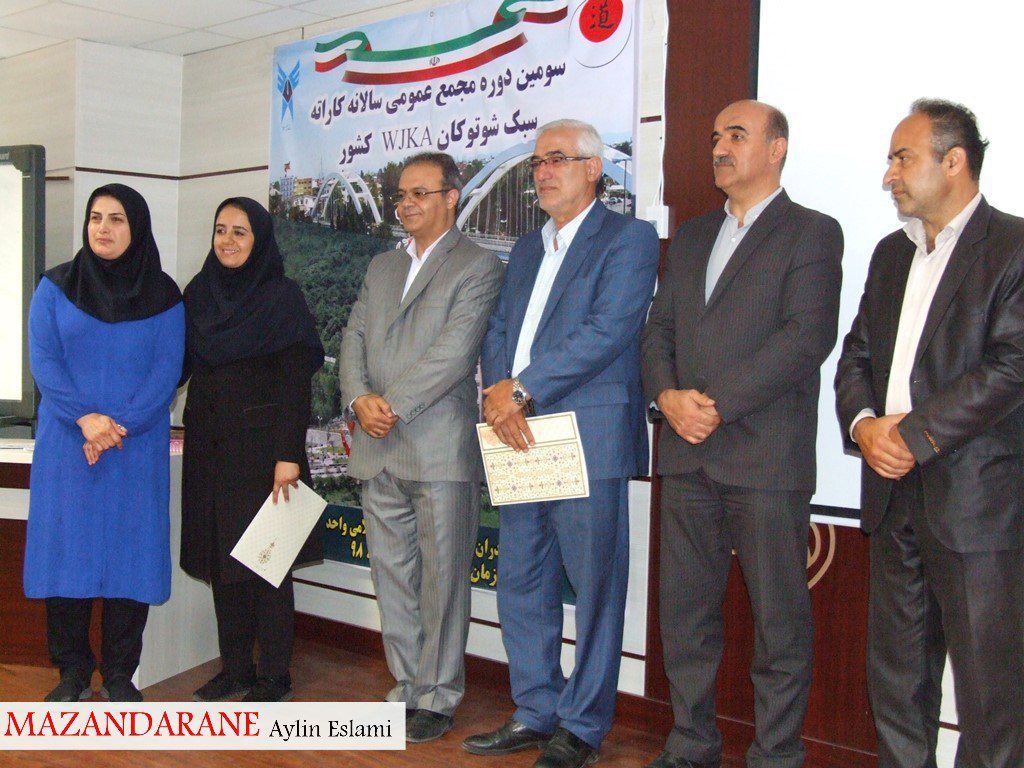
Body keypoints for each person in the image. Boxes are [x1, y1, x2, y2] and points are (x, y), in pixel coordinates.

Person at [641, 100, 843, 768]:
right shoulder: (694, 235)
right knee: (685, 617)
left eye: (736, 135)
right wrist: (667, 397)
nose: (719, 148)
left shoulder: (812, 233)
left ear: (777, 148)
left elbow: (805, 338)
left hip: (764, 460)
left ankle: (776, 754)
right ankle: (691, 744)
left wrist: (715, 406)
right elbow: (658, 331)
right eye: (714, 137)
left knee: (779, 626)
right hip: (685, 454)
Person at [835, 99, 1024, 768]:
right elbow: (856, 356)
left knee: (990, 697)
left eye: (902, 158)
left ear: (954, 161)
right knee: (898, 683)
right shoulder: (891, 254)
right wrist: (864, 427)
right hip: (893, 499)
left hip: (977, 505)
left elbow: (1012, 366)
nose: (888, 175)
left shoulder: (1013, 247)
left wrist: (912, 436)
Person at [464, 119, 659, 768]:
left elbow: (609, 329)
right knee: (522, 581)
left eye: (557, 159)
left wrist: (521, 390)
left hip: (586, 435)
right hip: (517, 435)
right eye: (537, 162)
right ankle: (535, 710)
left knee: (596, 589)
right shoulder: (526, 248)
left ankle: (581, 726)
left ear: (593, 169)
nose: (543, 172)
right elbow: (499, 328)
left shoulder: (629, 239)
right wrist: (499, 397)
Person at [339, 152, 503, 742]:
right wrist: (359, 398)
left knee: (443, 582)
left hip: (437, 447)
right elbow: (354, 335)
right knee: (393, 578)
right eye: (401, 195)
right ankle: (406, 686)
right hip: (377, 445)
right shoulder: (382, 265)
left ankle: (438, 695)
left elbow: (455, 353)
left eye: (420, 193)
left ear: (452, 197)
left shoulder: (478, 265)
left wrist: (390, 406)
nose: (407, 204)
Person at [24, 183, 184, 703]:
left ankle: (119, 673)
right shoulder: (54, 287)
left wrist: (117, 427)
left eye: (117, 218)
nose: (103, 228)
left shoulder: (165, 296)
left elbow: (166, 373)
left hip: (133, 450)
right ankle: (71, 672)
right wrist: (87, 420)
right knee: (66, 558)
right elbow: (44, 362)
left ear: (136, 228)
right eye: (96, 217)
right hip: (69, 447)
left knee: (129, 559)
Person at [181, 197, 324, 703]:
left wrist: (289, 455)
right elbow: (178, 365)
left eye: (239, 231)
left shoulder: (282, 298)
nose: (228, 240)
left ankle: (274, 676)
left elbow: (295, 383)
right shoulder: (199, 293)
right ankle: (236, 669)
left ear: (259, 239)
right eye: (221, 230)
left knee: (267, 563)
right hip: (209, 449)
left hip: (265, 455)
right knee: (223, 565)